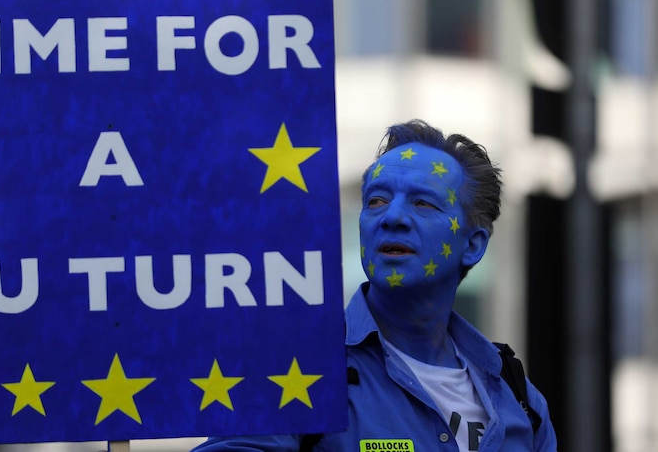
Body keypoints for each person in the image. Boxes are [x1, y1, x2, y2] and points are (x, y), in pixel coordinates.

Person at [191, 120, 557, 451]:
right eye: (377, 200)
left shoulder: (519, 397)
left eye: (424, 204)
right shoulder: (292, 365)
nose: (392, 217)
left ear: (473, 244)